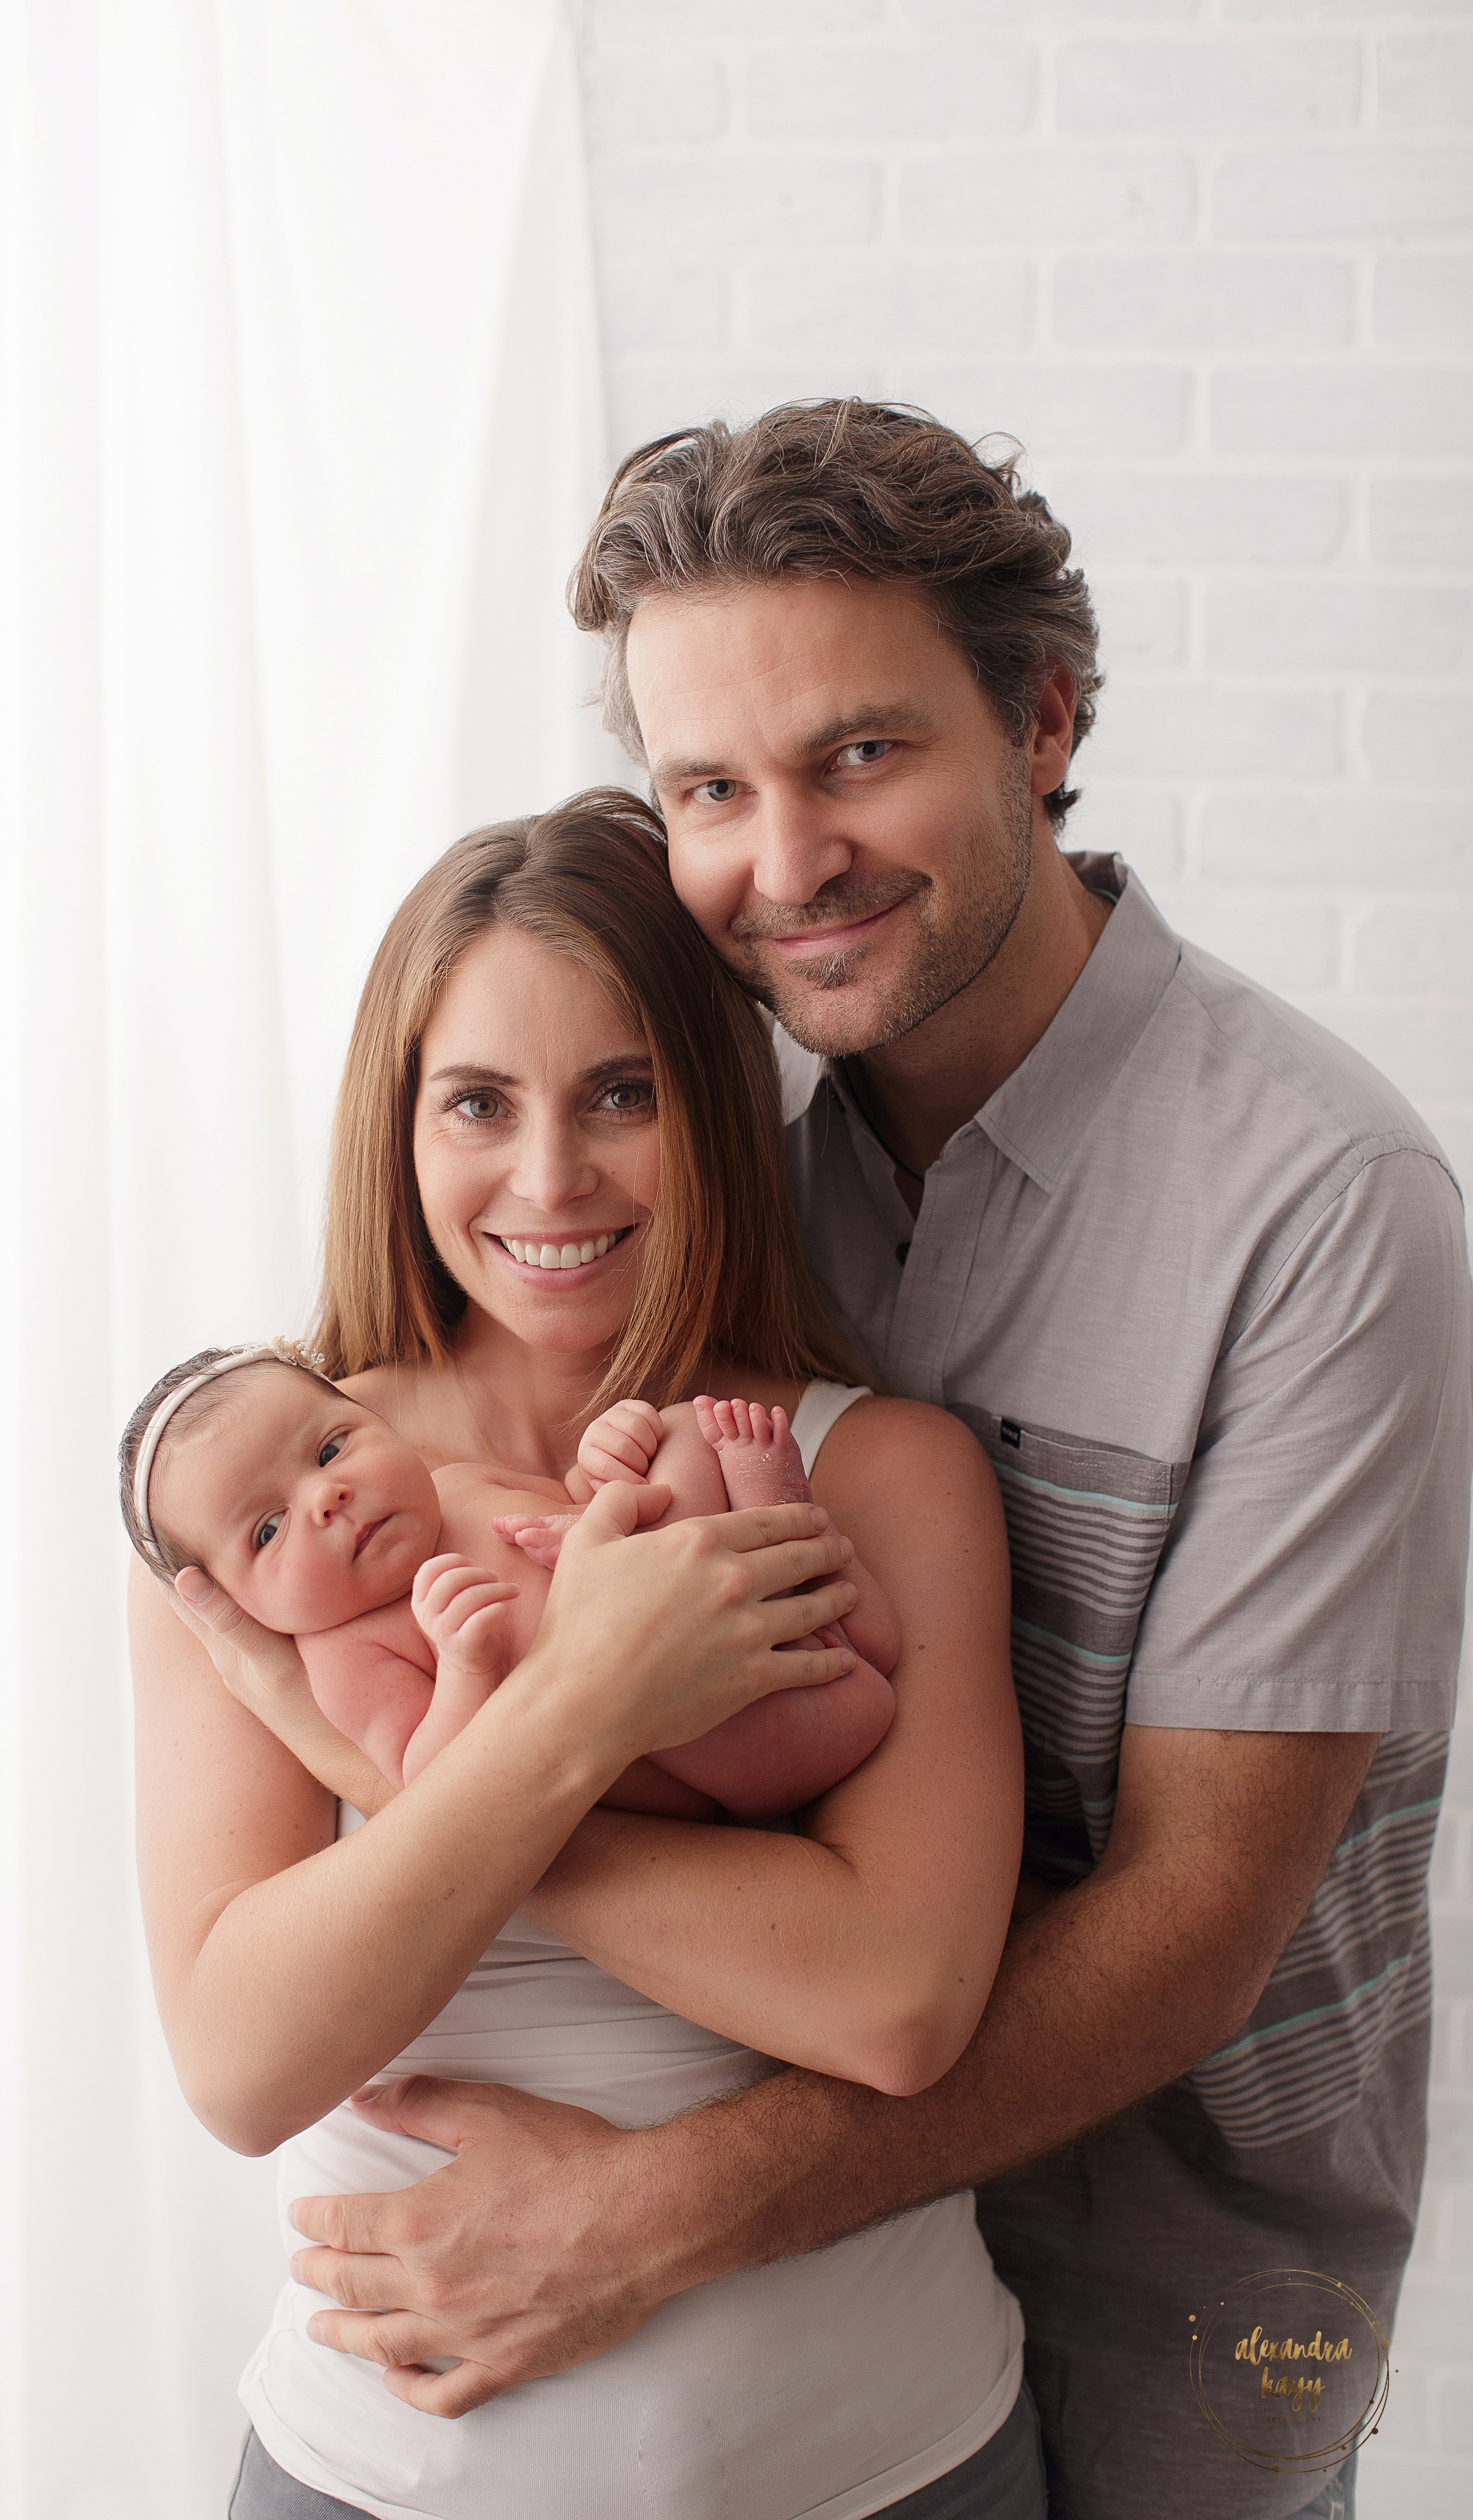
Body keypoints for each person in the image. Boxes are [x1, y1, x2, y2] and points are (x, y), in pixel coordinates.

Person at [279, 404, 1473, 2520]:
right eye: (708, 791)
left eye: (855, 755)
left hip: (1176, 2295)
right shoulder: (712, 1196)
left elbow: (1192, 1922)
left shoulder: (1316, 1203)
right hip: (794, 2330)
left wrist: (645, 2209)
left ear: (1039, 716)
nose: (782, 860)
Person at [130, 792, 1042, 2518]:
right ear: (397, 1124)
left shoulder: (876, 1470)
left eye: (619, 1093)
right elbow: (244, 2063)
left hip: (892, 2468)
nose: (548, 1179)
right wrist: (579, 1711)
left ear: (712, 1100)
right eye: (477, 1101)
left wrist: (401, 1774)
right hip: (369, 2479)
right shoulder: (256, 1511)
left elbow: (894, 2002)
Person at [120, 1347, 898, 1816]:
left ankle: (791, 1532)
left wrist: (603, 1464)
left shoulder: (453, 1484)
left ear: (378, 1422)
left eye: (329, 1452)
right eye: (267, 1529)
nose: (326, 1498)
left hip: (734, 1600)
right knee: (863, 1696)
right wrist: (466, 1668)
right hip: (710, 1736)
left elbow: (569, 1500)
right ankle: (797, 1559)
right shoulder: (349, 1652)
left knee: (683, 1429)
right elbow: (431, 1784)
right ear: (237, 1604)